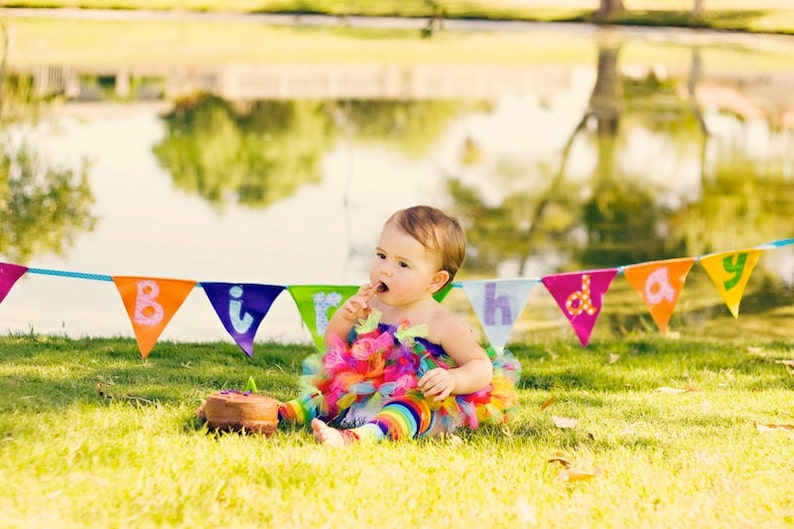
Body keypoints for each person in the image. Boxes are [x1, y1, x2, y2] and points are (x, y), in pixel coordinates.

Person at [278, 205, 521, 446]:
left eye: (402, 265)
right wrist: (346, 317)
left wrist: (453, 379)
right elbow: (333, 346)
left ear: (435, 281)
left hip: (422, 401)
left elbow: (480, 366)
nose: (386, 269)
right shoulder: (371, 304)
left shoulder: (442, 323)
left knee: (407, 409)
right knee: (327, 394)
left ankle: (357, 437)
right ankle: (280, 413)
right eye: (382, 256)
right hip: (365, 393)